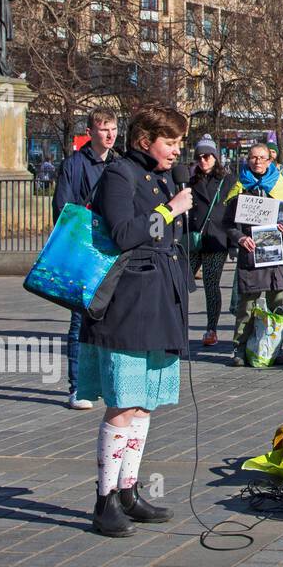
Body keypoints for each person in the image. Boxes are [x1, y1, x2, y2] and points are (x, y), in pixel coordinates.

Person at [78, 103, 191, 536]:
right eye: (171, 142)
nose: (177, 151)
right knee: (123, 402)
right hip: (127, 302)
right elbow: (124, 232)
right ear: (145, 141)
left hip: (162, 295)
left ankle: (129, 490)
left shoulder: (165, 177)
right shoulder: (119, 175)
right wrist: (169, 211)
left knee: (145, 401)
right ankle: (104, 500)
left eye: (180, 142)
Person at [52, 108, 120, 410]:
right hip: (87, 249)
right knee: (80, 319)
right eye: (104, 129)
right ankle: (78, 385)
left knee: (113, 319)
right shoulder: (74, 164)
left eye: (114, 129)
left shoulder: (119, 164)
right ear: (90, 132)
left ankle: (106, 382)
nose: (110, 135)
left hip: (115, 249)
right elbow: (63, 209)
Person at [222, 143, 283, 367]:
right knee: (246, 305)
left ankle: (275, 348)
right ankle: (240, 348)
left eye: (262, 158)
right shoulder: (239, 187)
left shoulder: (280, 185)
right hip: (251, 253)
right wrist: (240, 238)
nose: (257, 162)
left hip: (276, 253)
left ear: (269, 161)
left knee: (277, 303)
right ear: (248, 160)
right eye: (253, 158)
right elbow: (227, 223)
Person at [188, 135, 231, 347]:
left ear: (215, 157)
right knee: (181, 280)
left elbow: (235, 209)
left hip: (216, 239)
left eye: (207, 156)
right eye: (199, 157)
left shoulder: (227, 180)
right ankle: (177, 323)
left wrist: (235, 239)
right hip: (193, 239)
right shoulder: (190, 179)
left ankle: (211, 329)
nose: (203, 160)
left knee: (211, 285)